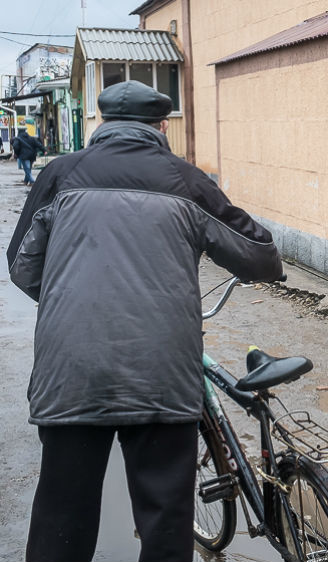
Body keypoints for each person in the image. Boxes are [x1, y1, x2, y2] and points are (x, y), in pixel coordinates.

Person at [7, 80, 283, 562]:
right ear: (160, 126)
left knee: (61, 516)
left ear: (102, 123)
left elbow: (21, 265)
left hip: (73, 370)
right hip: (161, 373)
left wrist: (67, 301)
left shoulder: (61, 173)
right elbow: (260, 254)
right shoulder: (186, 180)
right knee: (164, 520)